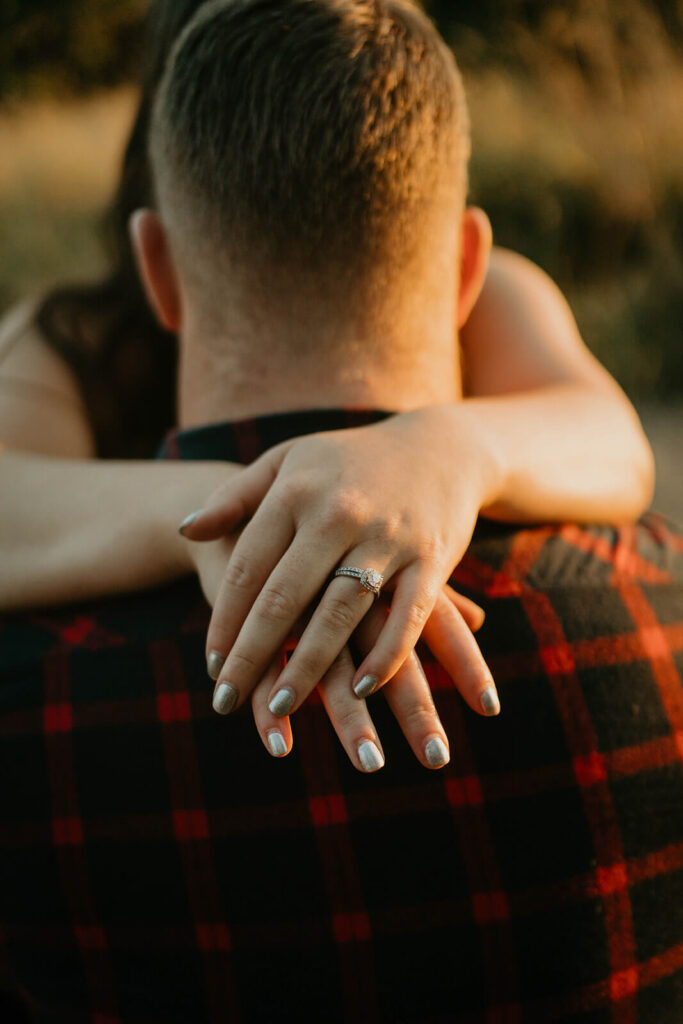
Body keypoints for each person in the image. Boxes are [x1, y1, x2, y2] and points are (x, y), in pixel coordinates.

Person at [2, 2, 682, 1021]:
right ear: (463, 265)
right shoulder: (657, 609)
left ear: (158, 269)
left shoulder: (33, 703)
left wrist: (449, 450)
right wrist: (236, 509)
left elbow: (610, 435)